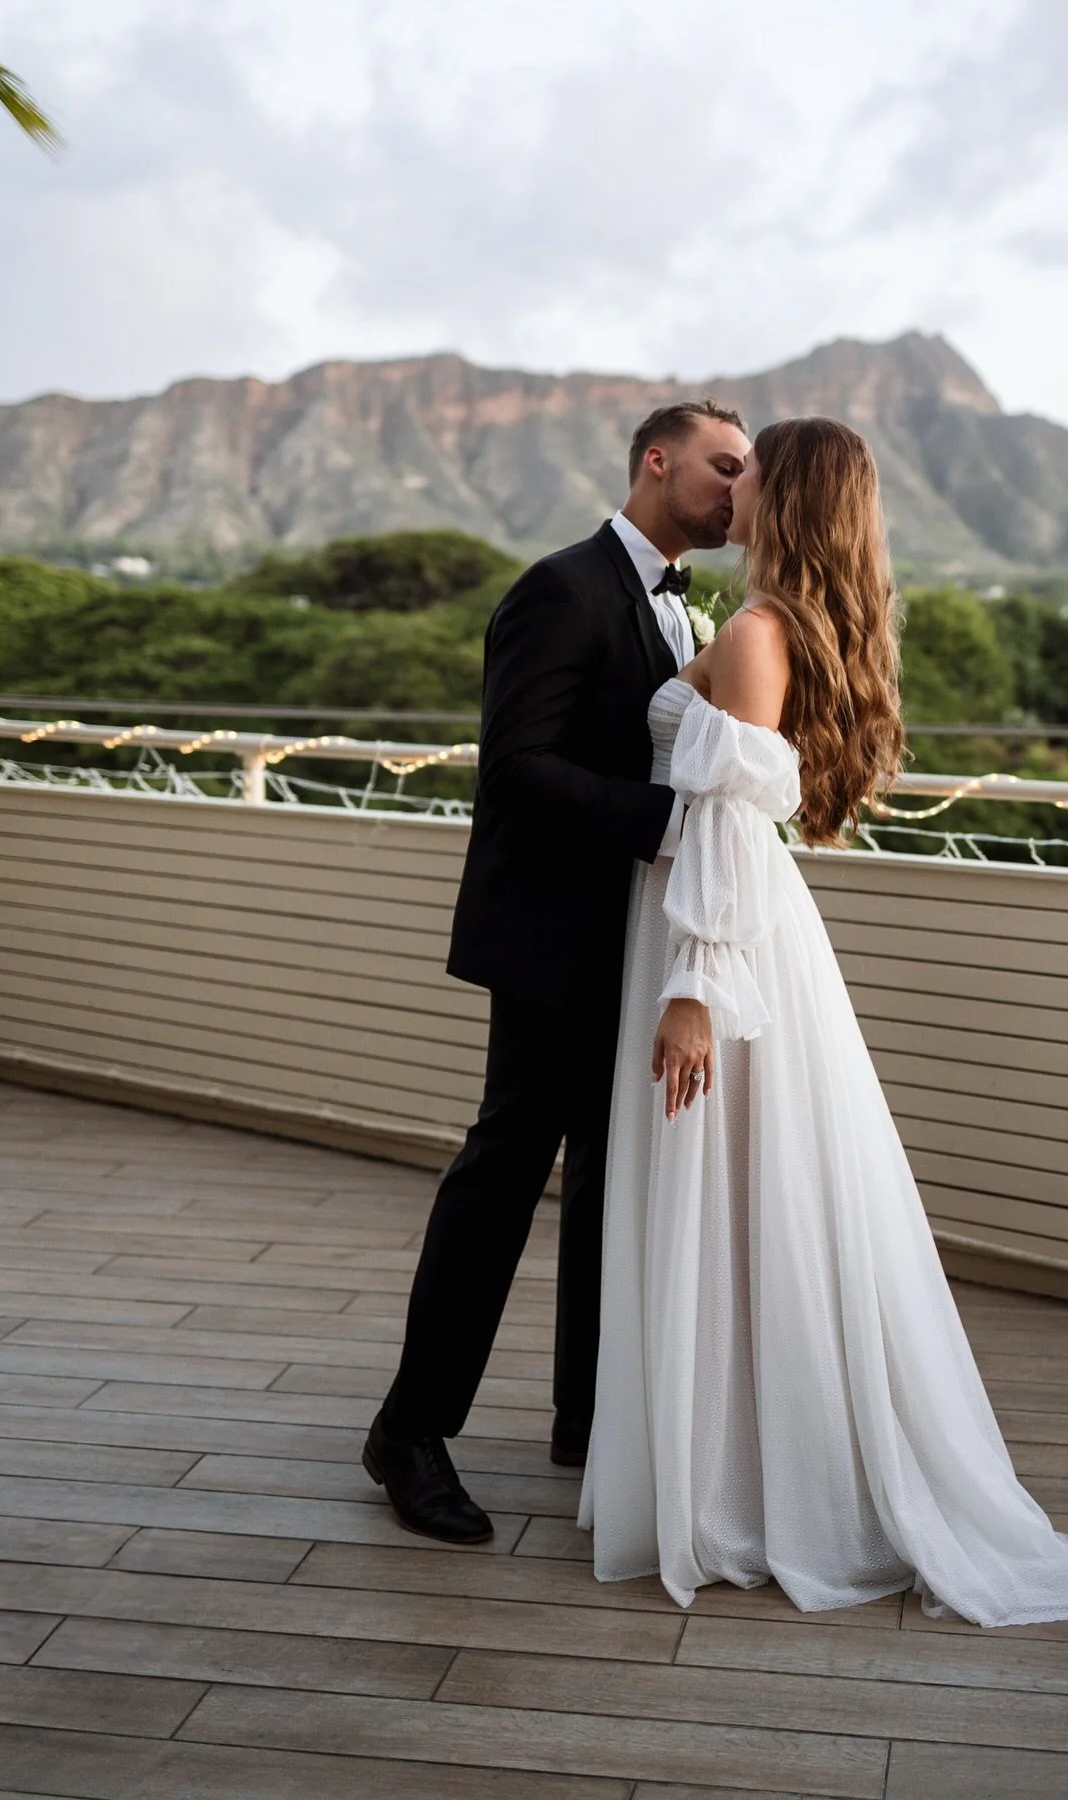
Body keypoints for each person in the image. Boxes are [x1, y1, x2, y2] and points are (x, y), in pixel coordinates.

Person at [578, 417, 1068, 1624]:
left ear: (790, 492)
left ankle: (741, 1490)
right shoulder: (776, 623)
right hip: (728, 921)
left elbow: (720, 817)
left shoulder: (760, 634)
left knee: (734, 1198)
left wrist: (695, 993)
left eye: (750, 469)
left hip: (722, 936)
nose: (734, 481)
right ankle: (730, 1462)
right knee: (749, 1202)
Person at [365, 400, 751, 1541]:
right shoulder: (561, 587)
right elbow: (518, 770)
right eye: (724, 466)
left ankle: (584, 1418)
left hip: (633, 944)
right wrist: (673, 828)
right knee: (500, 1180)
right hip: (550, 942)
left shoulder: (688, 610)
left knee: (607, 1182)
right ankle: (410, 1435)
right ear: (657, 460)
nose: (741, 489)